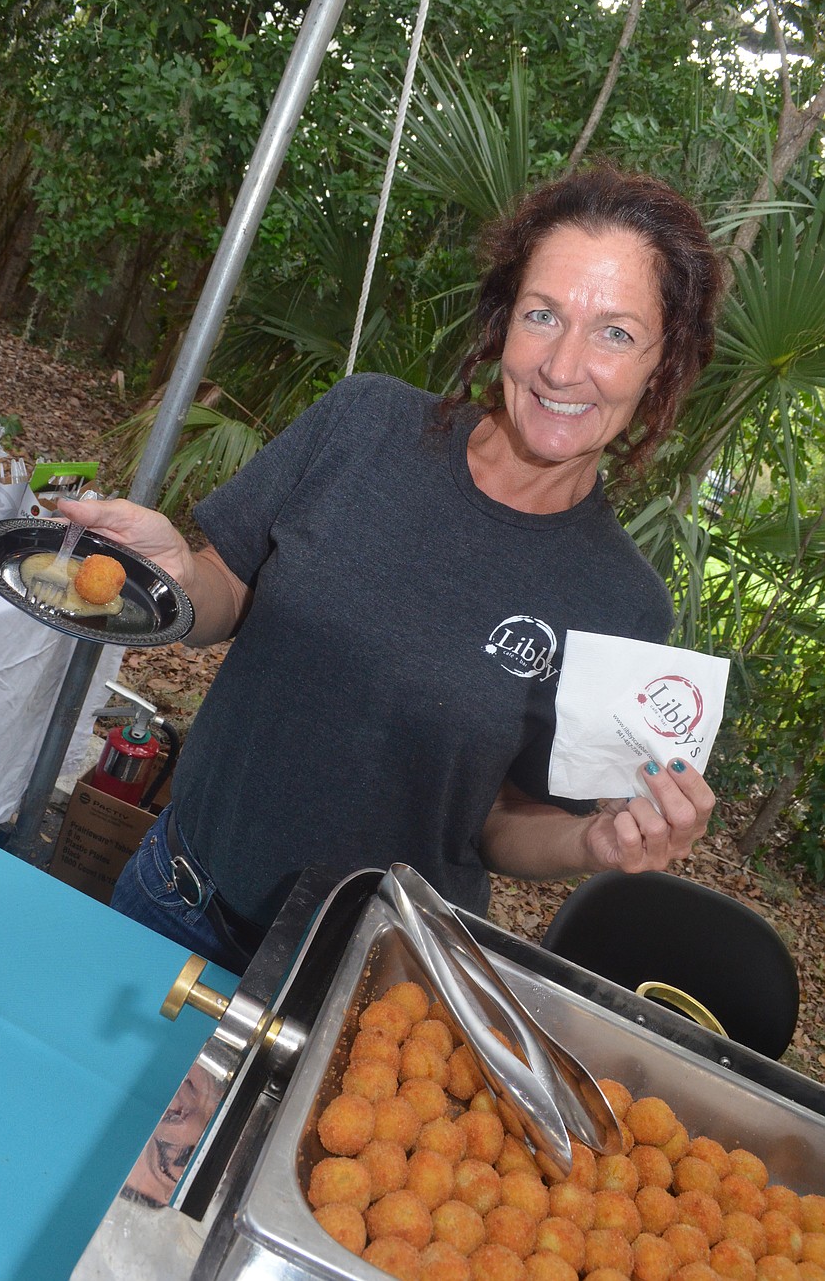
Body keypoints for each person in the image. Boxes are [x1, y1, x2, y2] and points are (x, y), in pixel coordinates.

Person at [60, 164, 725, 975]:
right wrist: (170, 574)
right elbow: (224, 592)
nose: (562, 365)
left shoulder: (622, 602)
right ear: (503, 318)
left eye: (616, 332)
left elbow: (502, 822)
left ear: (664, 364)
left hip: (363, 985)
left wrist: (591, 838)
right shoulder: (365, 423)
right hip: (176, 898)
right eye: (542, 315)